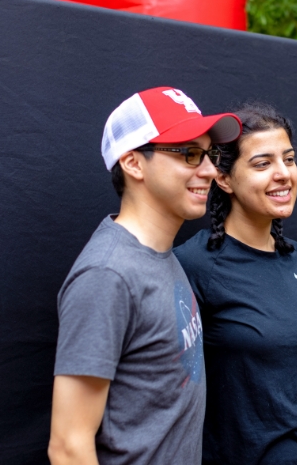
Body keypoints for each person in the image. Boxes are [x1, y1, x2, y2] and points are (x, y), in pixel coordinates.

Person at [48, 87, 241, 465]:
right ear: (133, 163)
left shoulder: (160, 257)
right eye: (189, 154)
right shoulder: (107, 274)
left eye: (209, 155)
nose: (210, 170)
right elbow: (69, 446)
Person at [175, 103, 297, 465]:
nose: (283, 174)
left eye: (288, 159)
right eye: (263, 164)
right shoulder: (192, 265)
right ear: (223, 179)